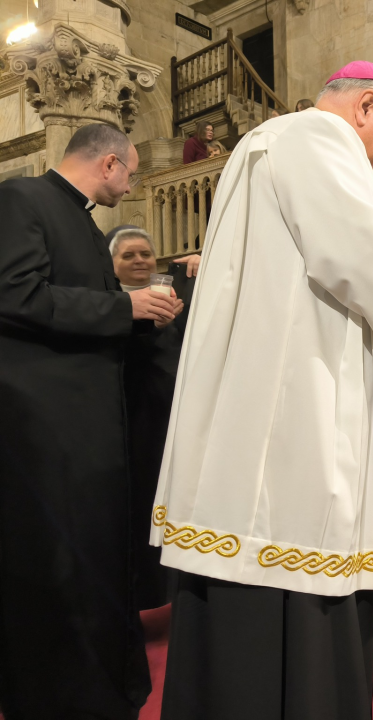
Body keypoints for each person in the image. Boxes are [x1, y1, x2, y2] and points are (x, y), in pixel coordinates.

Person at [152, 61, 373, 720]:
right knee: (295, 567)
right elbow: (360, 256)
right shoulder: (319, 142)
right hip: (296, 418)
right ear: (366, 107)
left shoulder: (263, 145)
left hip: (254, 403)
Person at [0, 123, 182, 720]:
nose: (130, 187)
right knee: (57, 571)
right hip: (46, 433)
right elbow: (16, 295)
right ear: (108, 163)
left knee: (95, 566)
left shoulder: (81, 220)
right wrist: (122, 306)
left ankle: (100, 695)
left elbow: (81, 312)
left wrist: (138, 317)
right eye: (129, 174)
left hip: (90, 433)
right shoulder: (21, 200)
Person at [108, 226, 200, 609]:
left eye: (145, 253)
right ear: (111, 264)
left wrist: (202, 262)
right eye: (128, 255)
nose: (140, 260)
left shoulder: (174, 291)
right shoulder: (107, 302)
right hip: (132, 420)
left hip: (177, 418)